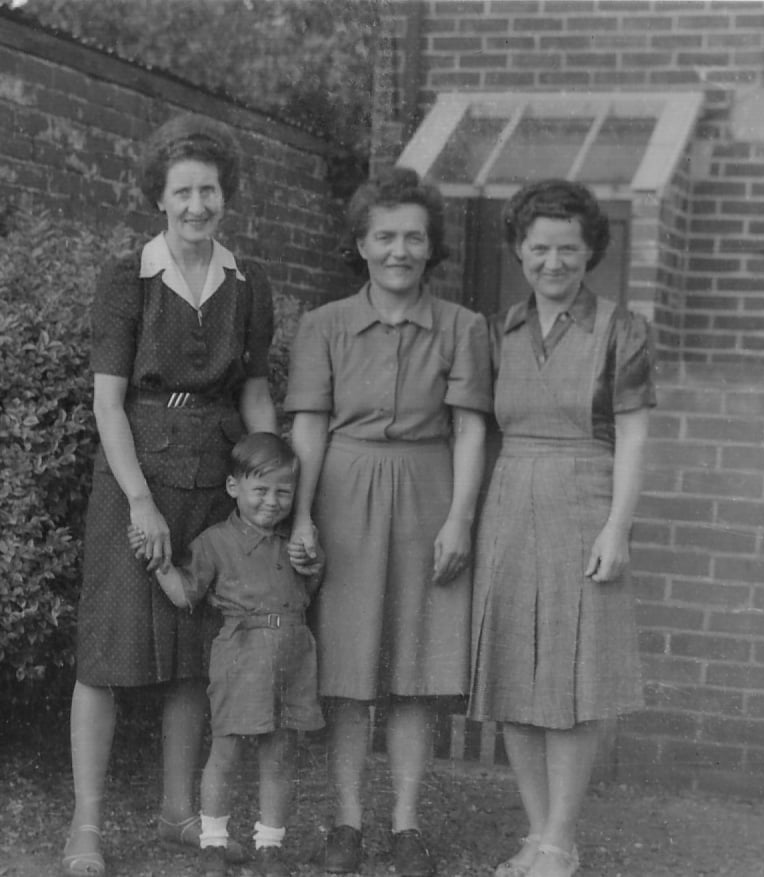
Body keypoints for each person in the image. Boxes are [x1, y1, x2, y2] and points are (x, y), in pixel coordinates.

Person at [62, 114, 277, 877]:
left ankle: (178, 811)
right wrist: (140, 502)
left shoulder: (248, 287)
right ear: (160, 195)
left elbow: (253, 392)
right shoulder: (128, 279)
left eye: (209, 190)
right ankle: (85, 826)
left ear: (226, 196)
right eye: (182, 190)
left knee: (193, 656)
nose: (196, 205)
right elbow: (107, 404)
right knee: (107, 654)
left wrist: (268, 482)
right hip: (136, 477)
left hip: (214, 481)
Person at [285, 167, 491, 877]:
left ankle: (404, 825)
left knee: (413, 669)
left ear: (430, 247)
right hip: (342, 494)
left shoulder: (464, 328)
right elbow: (308, 427)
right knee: (345, 670)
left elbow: (470, 431)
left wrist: (460, 518)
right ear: (361, 245)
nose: (399, 250)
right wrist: (301, 516)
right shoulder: (324, 325)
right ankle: (345, 821)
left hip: (428, 496)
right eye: (384, 236)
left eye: (413, 237)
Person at [468, 179, 655, 877]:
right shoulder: (496, 330)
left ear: (590, 253)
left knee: (576, 677)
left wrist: (617, 527)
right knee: (513, 669)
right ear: (519, 250)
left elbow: (633, 437)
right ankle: (539, 829)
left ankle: (560, 838)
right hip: (510, 500)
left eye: (568, 249)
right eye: (539, 248)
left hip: (585, 500)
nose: (553, 262)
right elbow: (478, 431)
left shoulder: (621, 329)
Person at [132, 433, 324, 877]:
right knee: (227, 751)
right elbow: (185, 595)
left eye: (283, 491)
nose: (273, 502)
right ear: (234, 487)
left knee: (280, 753)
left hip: (294, 655)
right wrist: (158, 561)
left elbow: (308, 590)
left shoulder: (294, 540)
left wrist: (312, 563)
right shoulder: (215, 541)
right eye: (261, 490)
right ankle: (214, 842)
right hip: (241, 654)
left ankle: (270, 846)